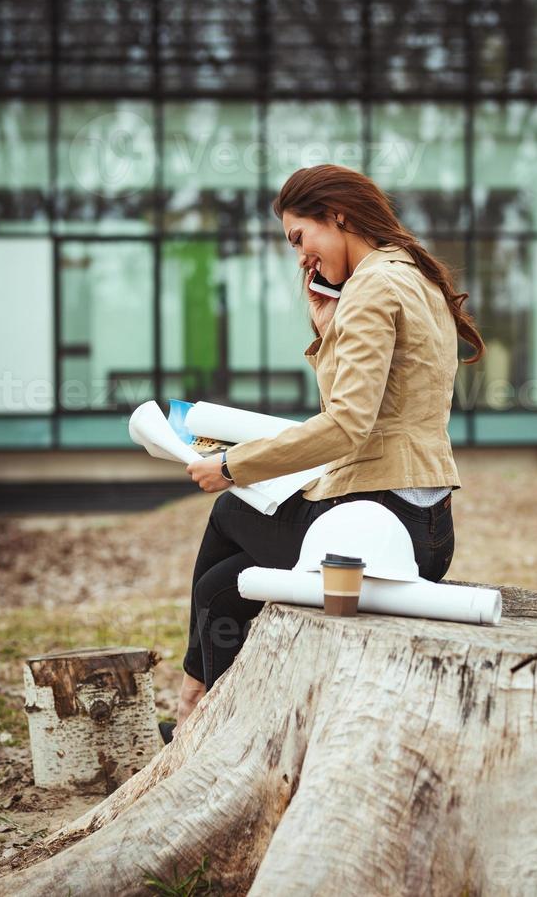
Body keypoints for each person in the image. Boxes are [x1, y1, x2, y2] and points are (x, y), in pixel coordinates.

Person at [163, 164, 485, 744]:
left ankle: (199, 715)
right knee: (222, 587)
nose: (301, 257)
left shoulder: (372, 286)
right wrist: (329, 324)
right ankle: (203, 712)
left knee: (232, 509)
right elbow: (372, 406)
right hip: (424, 527)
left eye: (299, 237)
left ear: (336, 215)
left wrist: (233, 465)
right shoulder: (407, 273)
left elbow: (345, 424)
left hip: (379, 529)